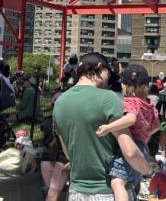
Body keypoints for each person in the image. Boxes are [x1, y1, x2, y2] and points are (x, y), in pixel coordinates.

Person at [53, 52, 152, 201]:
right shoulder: (108, 98)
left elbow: (68, 153)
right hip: (108, 191)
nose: (108, 82)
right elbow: (130, 152)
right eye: (108, 74)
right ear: (100, 68)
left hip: (76, 192)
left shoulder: (59, 103)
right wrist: (148, 170)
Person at [96, 64, 159, 201]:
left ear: (124, 86)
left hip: (131, 145)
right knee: (130, 183)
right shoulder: (149, 105)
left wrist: (108, 127)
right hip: (142, 147)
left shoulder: (130, 102)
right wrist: (145, 134)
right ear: (146, 85)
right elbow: (156, 126)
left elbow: (131, 118)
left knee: (117, 182)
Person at [40, 93, 69, 201]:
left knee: (50, 193)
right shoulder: (67, 122)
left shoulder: (46, 120)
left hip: (45, 160)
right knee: (53, 195)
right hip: (61, 161)